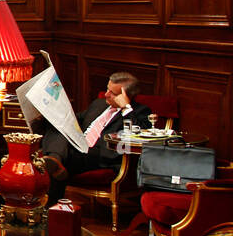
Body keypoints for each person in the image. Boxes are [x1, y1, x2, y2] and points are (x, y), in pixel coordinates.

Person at [40, 72, 153, 203]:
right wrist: (47, 113)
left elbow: (137, 133)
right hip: (79, 147)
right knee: (58, 127)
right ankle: (55, 160)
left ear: (126, 96)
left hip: (101, 154)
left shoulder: (139, 112)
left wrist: (125, 108)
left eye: (113, 93)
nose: (106, 95)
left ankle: (50, 200)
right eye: (107, 89)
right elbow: (73, 120)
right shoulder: (99, 104)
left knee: (64, 158)